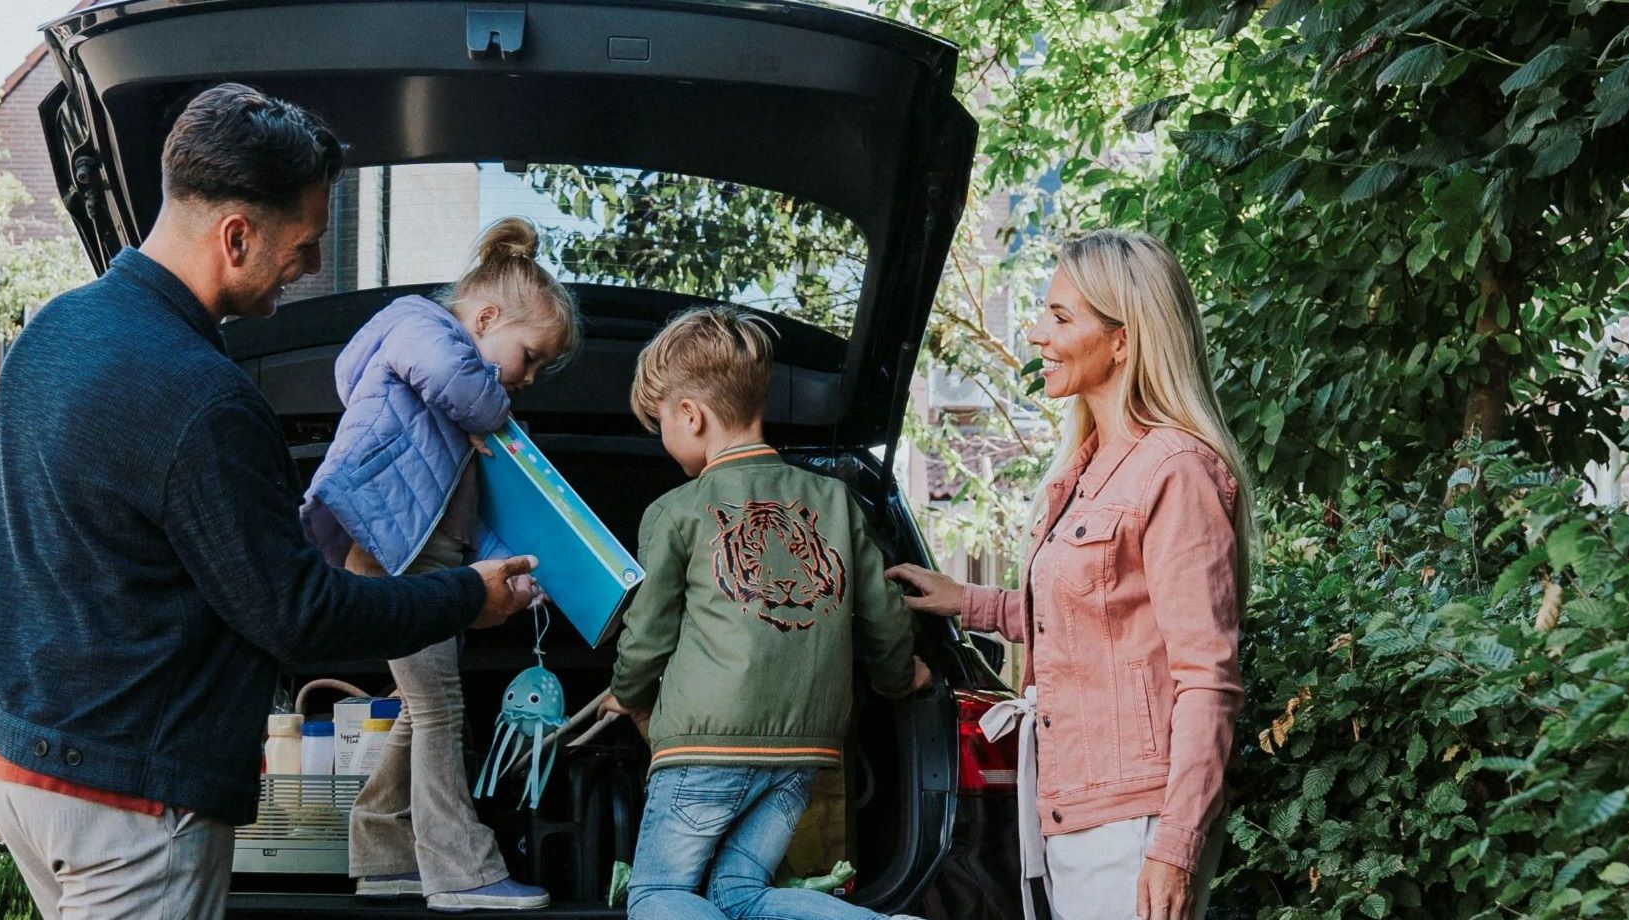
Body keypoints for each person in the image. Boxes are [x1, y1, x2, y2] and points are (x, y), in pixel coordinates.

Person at [0, 83, 546, 920]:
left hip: (21, 771)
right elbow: (298, 617)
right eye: (306, 244)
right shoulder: (205, 399)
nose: (311, 266)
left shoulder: (49, 335)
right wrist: (468, 596)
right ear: (237, 235)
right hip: (130, 809)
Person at [884, 231, 1245, 920]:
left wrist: (1175, 845)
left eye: (1059, 317)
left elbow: (1208, 678)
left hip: (1136, 820)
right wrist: (970, 602)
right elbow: (1097, 617)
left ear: (1122, 340)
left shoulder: (1174, 470)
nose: (1035, 334)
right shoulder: (1086, 467)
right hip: (1070, 805)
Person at [599, 308, 936, 920]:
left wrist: (627, 692)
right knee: (741, 893)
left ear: (690, 415)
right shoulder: (836, 500)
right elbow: (884, 616)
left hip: (704, 747)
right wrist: (898, 678)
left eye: (660, 423)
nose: (662, 439)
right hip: (807, 749)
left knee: (657, 893)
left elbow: (646, 632)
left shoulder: (677, 510)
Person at [305, 216, 586, 912]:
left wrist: (512, 569)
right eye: (528, 357)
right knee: (440, 709)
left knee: (419, 707)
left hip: (423, 556)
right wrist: (492, 413)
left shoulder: (452, 416)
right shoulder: (420, 328)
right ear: (484, 319)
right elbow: (448, 374)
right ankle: (462, 872)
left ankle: (383, 853)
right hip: (392, 552)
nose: (527, 380)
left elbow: (461, 520)